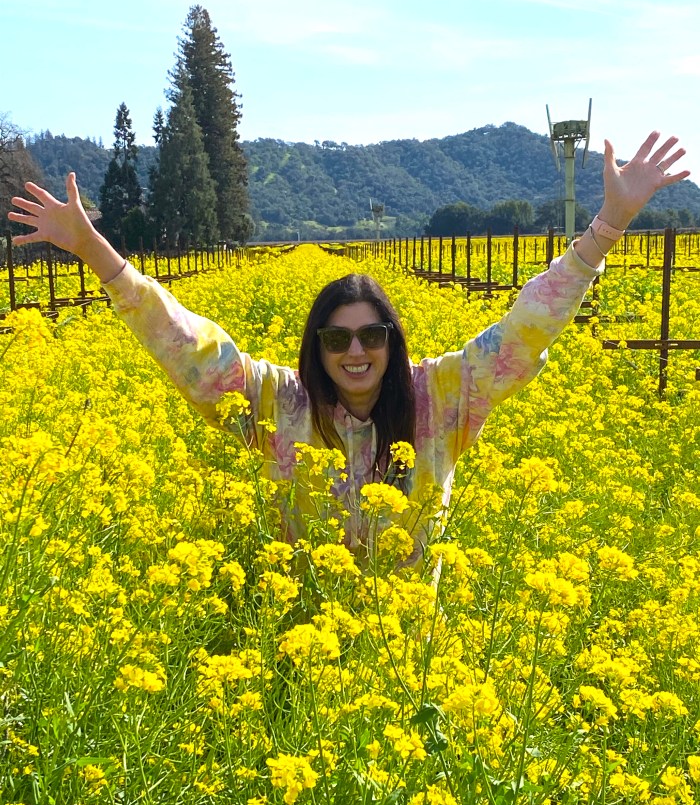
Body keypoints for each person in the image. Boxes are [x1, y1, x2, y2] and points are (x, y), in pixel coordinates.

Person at [8, 132, 689, 553]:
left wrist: (608, 224)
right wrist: (96, 252)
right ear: (317, 346)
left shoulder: (441, 397)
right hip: (304, 659)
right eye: (336, 338)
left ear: (392, 340)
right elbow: (185, 343)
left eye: (370, 335)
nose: (354, 352)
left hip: (409, 659)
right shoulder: (278, 404)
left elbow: (523, 331)